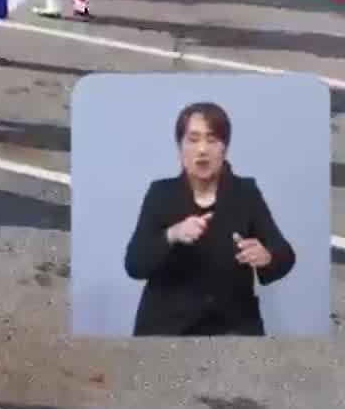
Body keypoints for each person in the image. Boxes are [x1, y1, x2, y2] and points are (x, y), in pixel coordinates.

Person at [124, 101, 295, 336]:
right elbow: (134, 265)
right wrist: (172, 234)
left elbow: (285, 254)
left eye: (212, 140)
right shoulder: (161, 193)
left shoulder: (245, 193)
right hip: (168, 327)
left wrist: (266, 257)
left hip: (232, 328)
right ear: (180, 148)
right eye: (193, 140)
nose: (202, 150)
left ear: (224, 148)